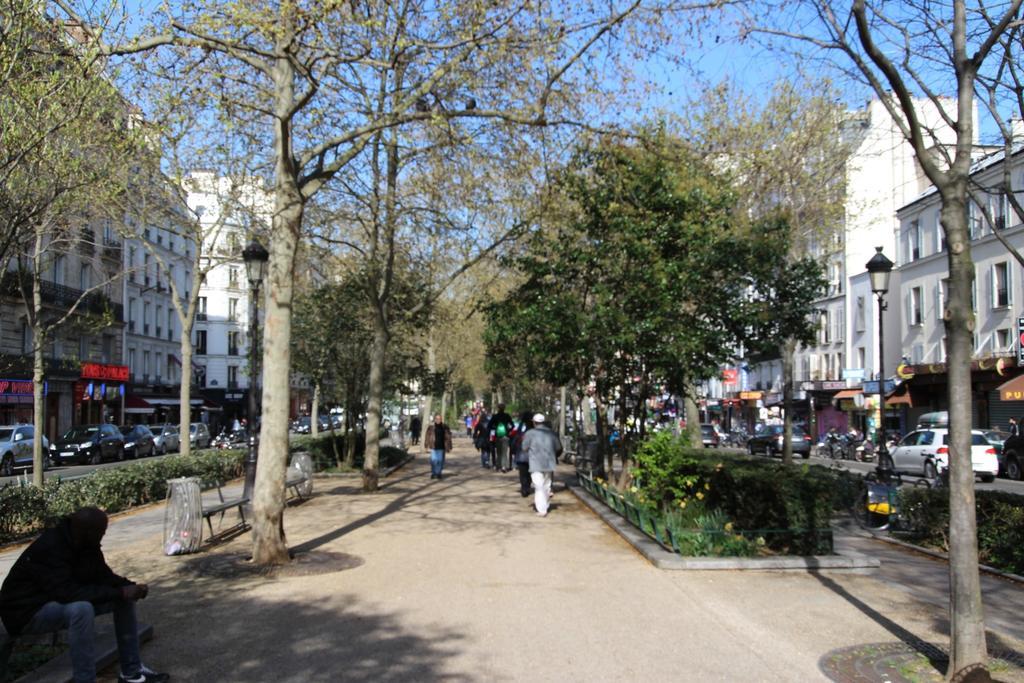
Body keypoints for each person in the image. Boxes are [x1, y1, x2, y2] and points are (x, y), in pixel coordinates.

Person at [0, 507, 168, 683]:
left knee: (123, 599)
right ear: (87, 531)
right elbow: (67, 593)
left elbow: (102, 575)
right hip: (25, 612)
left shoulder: (86, 543)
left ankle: (131, 672)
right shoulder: (51, 546)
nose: (103, 535)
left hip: (54, 602)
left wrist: (129, 587)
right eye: (101, 532)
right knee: (81, 609)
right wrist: (120, 591)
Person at [520, 413, 562, 517]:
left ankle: (542, 509)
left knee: (538, 486)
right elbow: (558, 448)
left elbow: (524, 447)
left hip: (535, 462)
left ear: (534, 422)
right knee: (546, 485)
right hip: (549, 462)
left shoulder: (529, 433)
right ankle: (545, 506)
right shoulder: (552, 433)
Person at [511, 411, 534, 497]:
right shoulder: (533, 428)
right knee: (530, 472)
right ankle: (527, 486)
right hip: (531, 454)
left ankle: (524, 488)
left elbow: (515, 439)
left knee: (522, 473)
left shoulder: (520, 427)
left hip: (521, 453)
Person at [487, 403, 515, 472]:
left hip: (498, 436)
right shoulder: (507, 416)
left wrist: (495, 428)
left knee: (498, 452)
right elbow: (513, 425)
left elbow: (489, 426)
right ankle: (504, 467)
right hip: (506, 436)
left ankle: (498, 466)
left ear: (498, 408)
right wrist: (508, 430)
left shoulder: (495, 416)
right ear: (504, 408)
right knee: (504, 452)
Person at [423, 414, 452, 480]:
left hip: (442, 447)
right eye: (437, 418)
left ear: (441, 419)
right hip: (433, 446)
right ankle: (433, 473)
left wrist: (449, 446)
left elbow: (448, 437)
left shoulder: (445, 427)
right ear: (434, 419)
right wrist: (426, 445)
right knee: (433, 461)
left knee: (440, 461)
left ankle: (438, 473)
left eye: (439, 418)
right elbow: (427, 437)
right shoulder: (431, 428)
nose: (438, 420)